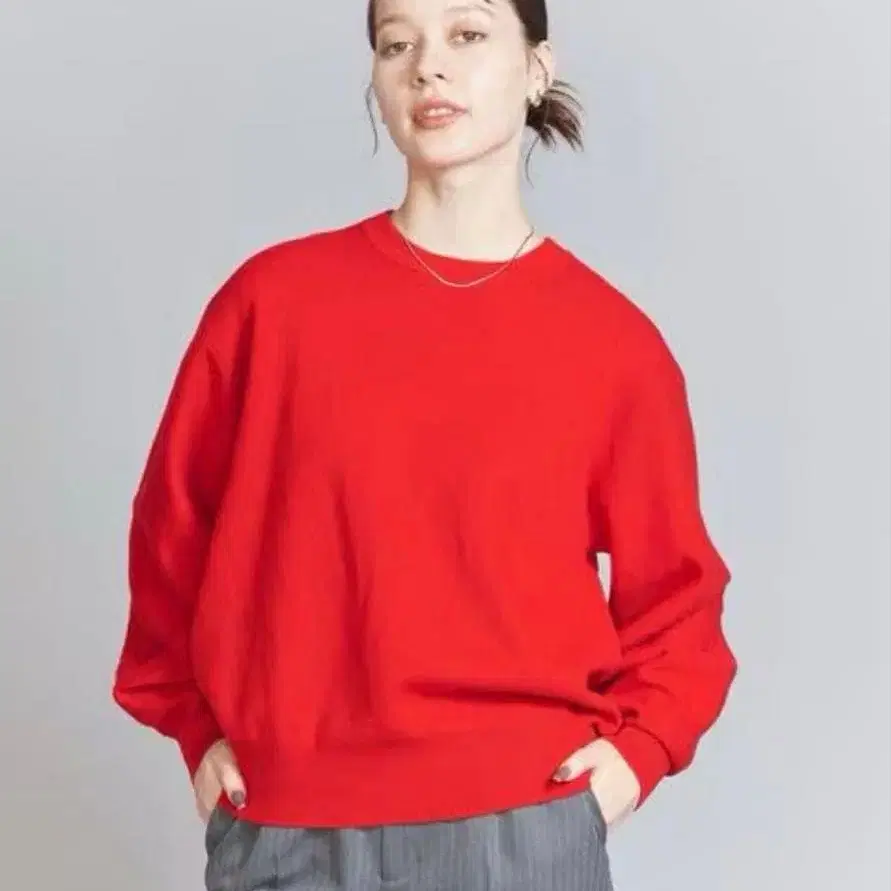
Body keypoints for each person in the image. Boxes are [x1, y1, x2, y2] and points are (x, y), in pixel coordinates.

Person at [112, 0, 738, 888]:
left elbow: (678, 598)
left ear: (536, 68)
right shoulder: (270, 305)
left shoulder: (613, 345)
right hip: (287, 824)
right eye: (395, 42)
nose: (426, 65)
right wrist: (192, 724)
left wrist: (635, 758)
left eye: (467, 34)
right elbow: (169, 534)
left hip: (520, 825)